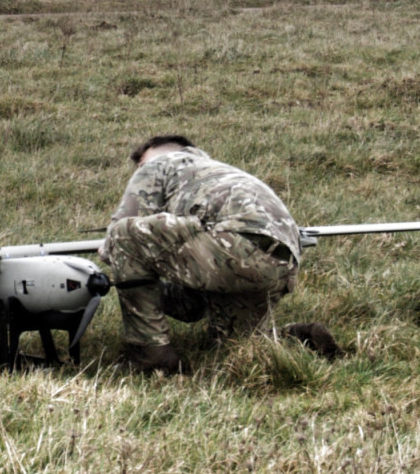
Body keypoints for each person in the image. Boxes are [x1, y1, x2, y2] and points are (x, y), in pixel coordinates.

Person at [98, 135, 302, 373]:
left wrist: (116, 262)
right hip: (282, 262)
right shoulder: (220, 173)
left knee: (124, 235)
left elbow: (117, 237)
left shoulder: (159, 163)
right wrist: (146, 286)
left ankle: (150, 356)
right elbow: (190, 306)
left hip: (233, 247)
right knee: (234, 343)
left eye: (139, 166)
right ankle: (301, 336)